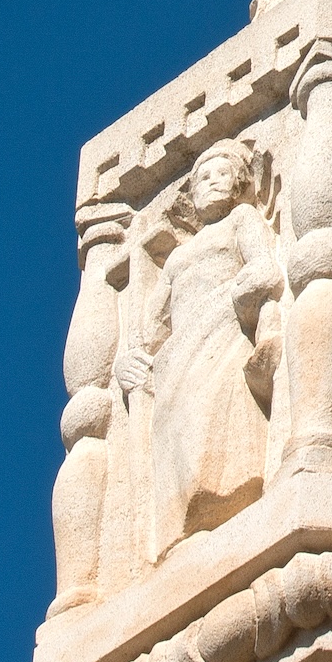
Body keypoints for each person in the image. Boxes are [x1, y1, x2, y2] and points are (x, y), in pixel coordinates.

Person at [114, 141, 282, 556]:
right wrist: (127, 360)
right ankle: (181, 523)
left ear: (239, 182)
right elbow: (151, 329)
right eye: (202, 177)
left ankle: (228, 497)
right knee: (178, 424)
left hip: (223, 331)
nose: (211, 182)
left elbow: (265, 267)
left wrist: (243, 292)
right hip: (179, 355)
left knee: (217, 415)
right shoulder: (176, 259)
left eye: (220, 174)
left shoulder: (242, 219)